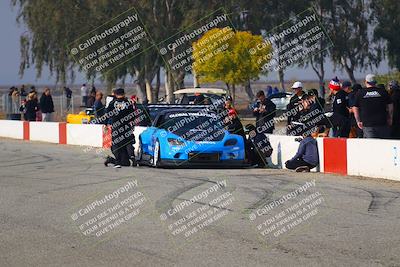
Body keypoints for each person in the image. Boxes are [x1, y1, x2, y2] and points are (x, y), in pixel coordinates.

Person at [353, 74, 393, 139]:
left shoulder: (360, 93)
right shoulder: (383, 92)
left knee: (371, 146)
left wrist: (358, 120)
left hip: (367, 125)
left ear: (365, 82)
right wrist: (390, 118)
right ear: (375, 82)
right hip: (382, 123)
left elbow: (355, 108)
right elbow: (390, 106)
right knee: (384, 145)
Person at [104, 88, 136, 168]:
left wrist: (106, 124)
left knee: (115, 143)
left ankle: (117, 162)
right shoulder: (128, 103)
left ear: (115, 94)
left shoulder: (112, 103)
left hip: (116, 126)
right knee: (128, 142)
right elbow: (133, 114)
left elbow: (107, 114)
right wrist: (132, 123)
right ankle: (132, 156)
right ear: (124, 94)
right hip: (126, 126)